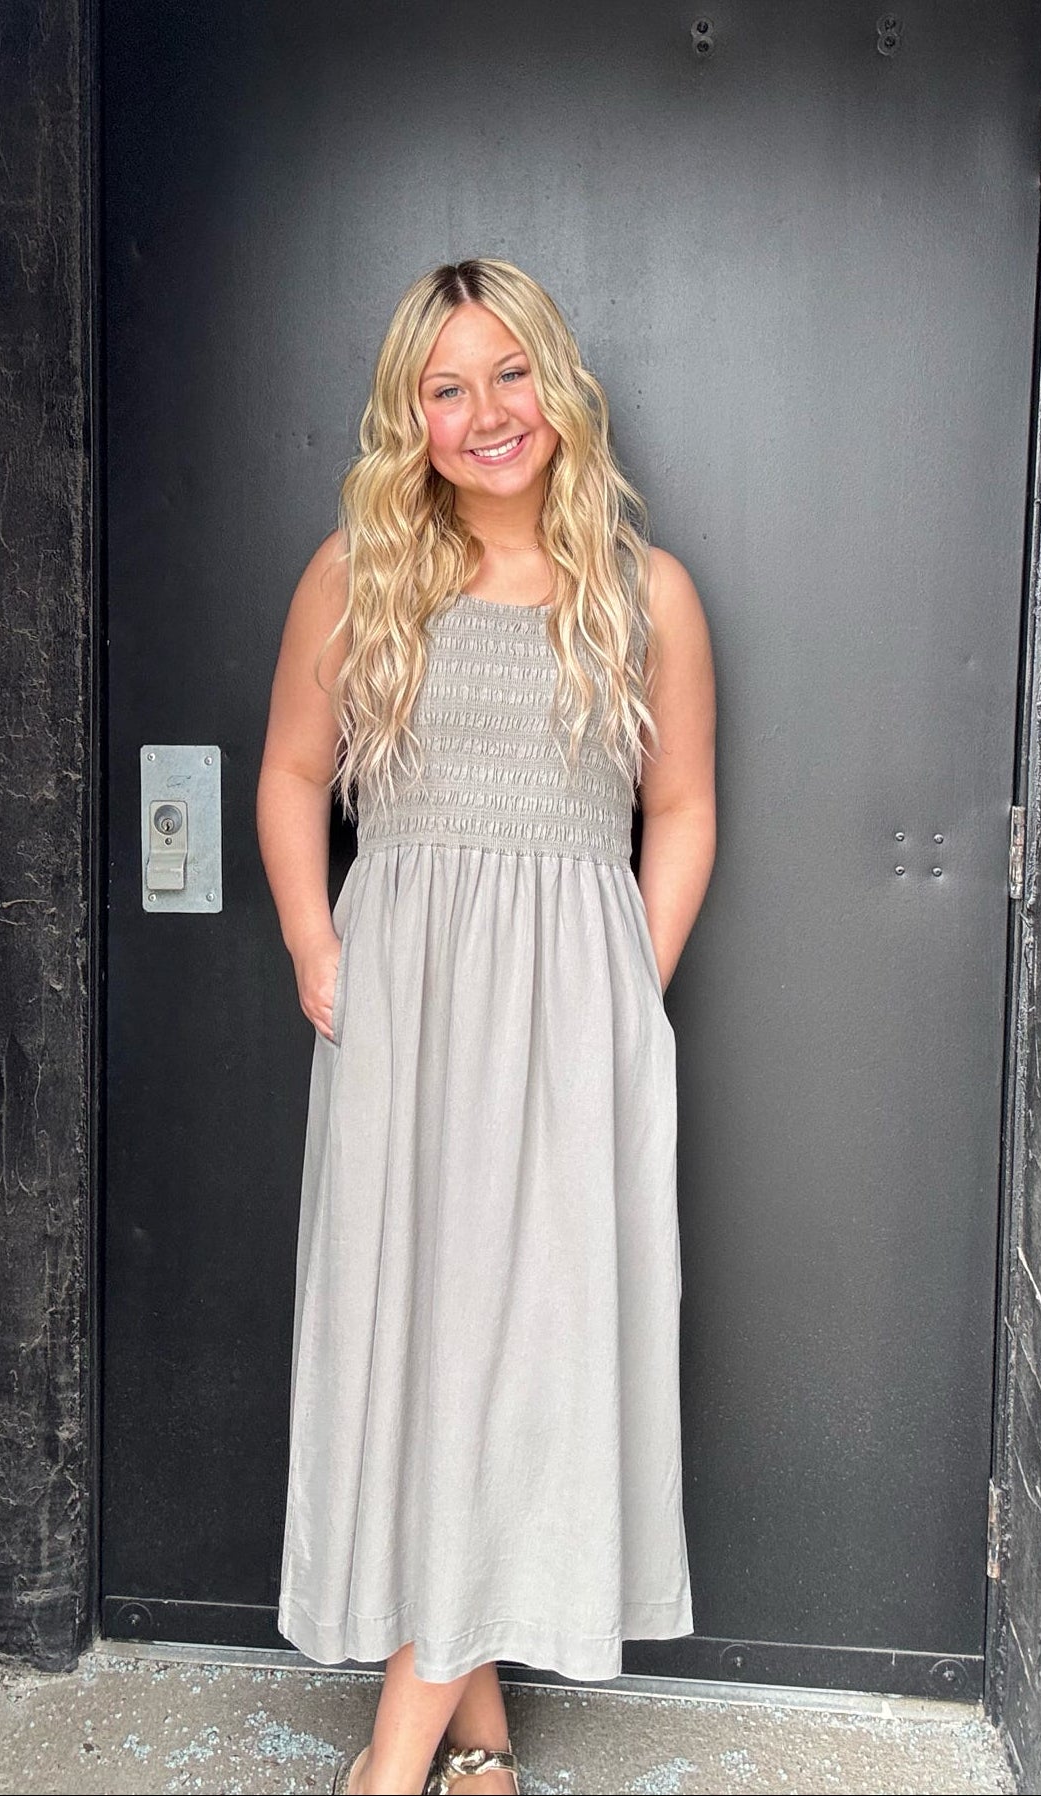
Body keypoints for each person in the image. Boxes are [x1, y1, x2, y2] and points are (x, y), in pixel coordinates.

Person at [256, 257, 717, 1796]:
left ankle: (390, 1763)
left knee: (532, 1356)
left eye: (507, 373)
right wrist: (316, 944)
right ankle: (479, 1742)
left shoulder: (642, 595)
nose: (483, 412)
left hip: (572, 1020)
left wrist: (622, 999)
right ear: (411, 417)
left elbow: (684, 809)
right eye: (444, 387)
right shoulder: (356, 575)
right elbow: (285, 776)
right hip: (406, 1011)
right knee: (423, 1349)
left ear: (557, 385)